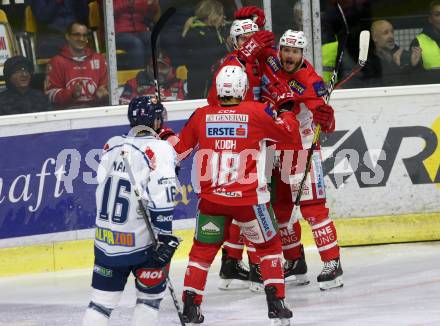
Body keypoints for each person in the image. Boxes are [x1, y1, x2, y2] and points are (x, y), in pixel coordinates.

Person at [166, 65, 300, 324]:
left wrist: (164, 134)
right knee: (269, 247)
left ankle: (191, 308)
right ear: (243, 88)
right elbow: (289, 135)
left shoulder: (201, 115)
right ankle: (276, 303)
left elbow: (178, 151)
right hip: (249, 202)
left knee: (202, 252)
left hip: (212, 202)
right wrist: (286, 109)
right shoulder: (257, 112)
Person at [81, 96, 180, 326]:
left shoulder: (111, 145)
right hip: (142, 245)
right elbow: (162, 199)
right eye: (159, 118)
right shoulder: (161, 149)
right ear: (155, 120)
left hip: (106, 241)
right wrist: (164, 238)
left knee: (100, 304)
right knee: (149, 301)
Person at [257, 30, 342, 291]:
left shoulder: (310, 79)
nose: (289, 56)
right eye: (285, 50)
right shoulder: (272, 64)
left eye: (295, 51)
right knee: (281, 209)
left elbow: (325, 119)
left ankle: (332, 263)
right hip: (274, 148)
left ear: (303, 54)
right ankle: (295, 262)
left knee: (313, 209)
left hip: (302, 149)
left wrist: (326, 118)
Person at [205, 8, 276, 292]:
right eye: (244, 37)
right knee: (254, 201)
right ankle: (258, 266)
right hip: (241, 140)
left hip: (260, 138)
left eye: (253, 35)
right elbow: (214, 99)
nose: (250, 40)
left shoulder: (263, 60)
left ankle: (232, 262)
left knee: (246, 202)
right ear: (234, 41)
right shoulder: (231, 64)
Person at [45, 22, 109, 109]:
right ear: (68, 36)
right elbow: (50, 95)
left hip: (95, 109)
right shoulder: (56, 62)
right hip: (68, 112)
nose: (81, 39)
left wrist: (103, 92)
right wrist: (72, 94)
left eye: (84, 35)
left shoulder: (99, 59)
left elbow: (107, 86)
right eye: (77, 35)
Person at [181, 0, 229, 99]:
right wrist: (226, 46)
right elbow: (202, 56)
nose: (223, 17)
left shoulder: (214, 30)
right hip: (201, 80)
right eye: (221, 14)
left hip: (211, 77)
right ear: (212, 15)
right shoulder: (196, 32)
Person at [348, 20, 411, 88]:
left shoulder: (403, 54)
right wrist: (395, 65)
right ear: (375, 38)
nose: (391, 36)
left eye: (392, 32)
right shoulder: (366, 62)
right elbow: (377, 88)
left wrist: (414, 65)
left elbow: (414, 83)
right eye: (386, 33)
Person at [98, 0, 160, 70]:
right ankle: (137, 77)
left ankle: (151, 72)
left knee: (153, 39)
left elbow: (149, 15)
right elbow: (109, 10)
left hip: (139, 28)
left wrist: (152, 5)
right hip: (116, 32)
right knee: (135, 43)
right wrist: (132, 2)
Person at [119, 54, 185, 104]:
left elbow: (182, 106)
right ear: (147, 68)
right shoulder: (133, 83)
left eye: (163, 68)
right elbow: (124, 105)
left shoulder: (178, 83)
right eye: (154, 67)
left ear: (171, 69)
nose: (158, 71)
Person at [409, 0, 440, 83]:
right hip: (431, 92)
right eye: (437, 14)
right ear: (430, 19)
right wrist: (413, 66)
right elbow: (414, 78)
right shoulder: (417, 42)